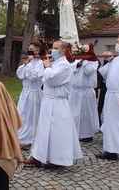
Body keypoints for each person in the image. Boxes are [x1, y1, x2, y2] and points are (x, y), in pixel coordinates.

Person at [23, 40, 83, 168]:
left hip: (58, 102)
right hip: (48, 100)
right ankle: (38, 156)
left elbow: (50, 79)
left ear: (63, 51)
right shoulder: (54, 63)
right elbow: (45, 78)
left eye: (56, 48)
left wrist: (47, 67)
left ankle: (58, 159)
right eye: (52, 48)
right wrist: (48, 67)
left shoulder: (64, 66)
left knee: (57, 131)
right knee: (43, 130)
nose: (52, 50)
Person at [16, 41, 44, 150]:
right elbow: (20, 74)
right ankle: (20, 138)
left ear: (37, 51)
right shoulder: (28, 61)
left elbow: (33, 76)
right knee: (22, 114)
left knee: (31, 117)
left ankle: (31, 140)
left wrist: (28, 67)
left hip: (34, 93)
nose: (30, 51)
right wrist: (26, 65)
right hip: (26, 92)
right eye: (29, 49)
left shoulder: (41, 63)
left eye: (32, 49)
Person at [68, 58, 99, 142]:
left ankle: (87, 134)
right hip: (74, 91)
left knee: (86, 113)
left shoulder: (93, 62)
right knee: (74, 113)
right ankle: (74, 132)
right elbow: (71, 69)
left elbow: (89, 71)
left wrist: (85, 61)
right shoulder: (75, 61)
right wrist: (78, 64)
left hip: (86, 91)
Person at [97, 51, 113, 126]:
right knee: (101, 104)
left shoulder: (114, 63)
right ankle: (98, 122)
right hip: (104, 85)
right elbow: (101, 72)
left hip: (111, 86)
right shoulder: (104, 63)